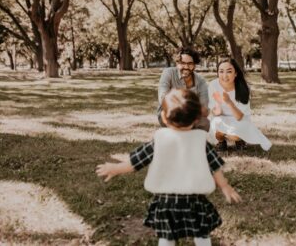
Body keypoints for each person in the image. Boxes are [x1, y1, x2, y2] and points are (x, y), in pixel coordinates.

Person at [97, 89, 241, 246]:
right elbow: (215, 167)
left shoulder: (159, 140)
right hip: (194, 199)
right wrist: (225, 186)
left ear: (164, 117)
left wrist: (115, 168)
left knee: (167, 237)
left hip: (166, 201)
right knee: (201, 233)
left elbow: (135, 162)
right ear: (197, 119)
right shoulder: (201, 141)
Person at [208, 58, 272, 151]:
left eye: (229, 71)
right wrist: (218, 103)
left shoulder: (243, 88)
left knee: (235, 135)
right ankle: (221, 142)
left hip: (240, 119)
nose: (224, 75)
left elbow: (239, 117)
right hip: (221, 118)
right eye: (221, 71)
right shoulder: (213, 85)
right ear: (217, 73)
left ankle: (239, 140)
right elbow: (216, 113)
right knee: (216, 127)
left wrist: (229, 102)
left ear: (236, 73)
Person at [157, 47, 210, 131]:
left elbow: (204, 110)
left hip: (192, 115)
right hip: (171, 113)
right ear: (177, 63)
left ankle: (193, 139)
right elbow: (162, 98)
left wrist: (189, 115)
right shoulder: (168, 73)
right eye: (182, 63)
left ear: (194, 65)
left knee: (205, 123)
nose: (186, 66)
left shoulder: (201, 81)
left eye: (190, 63)